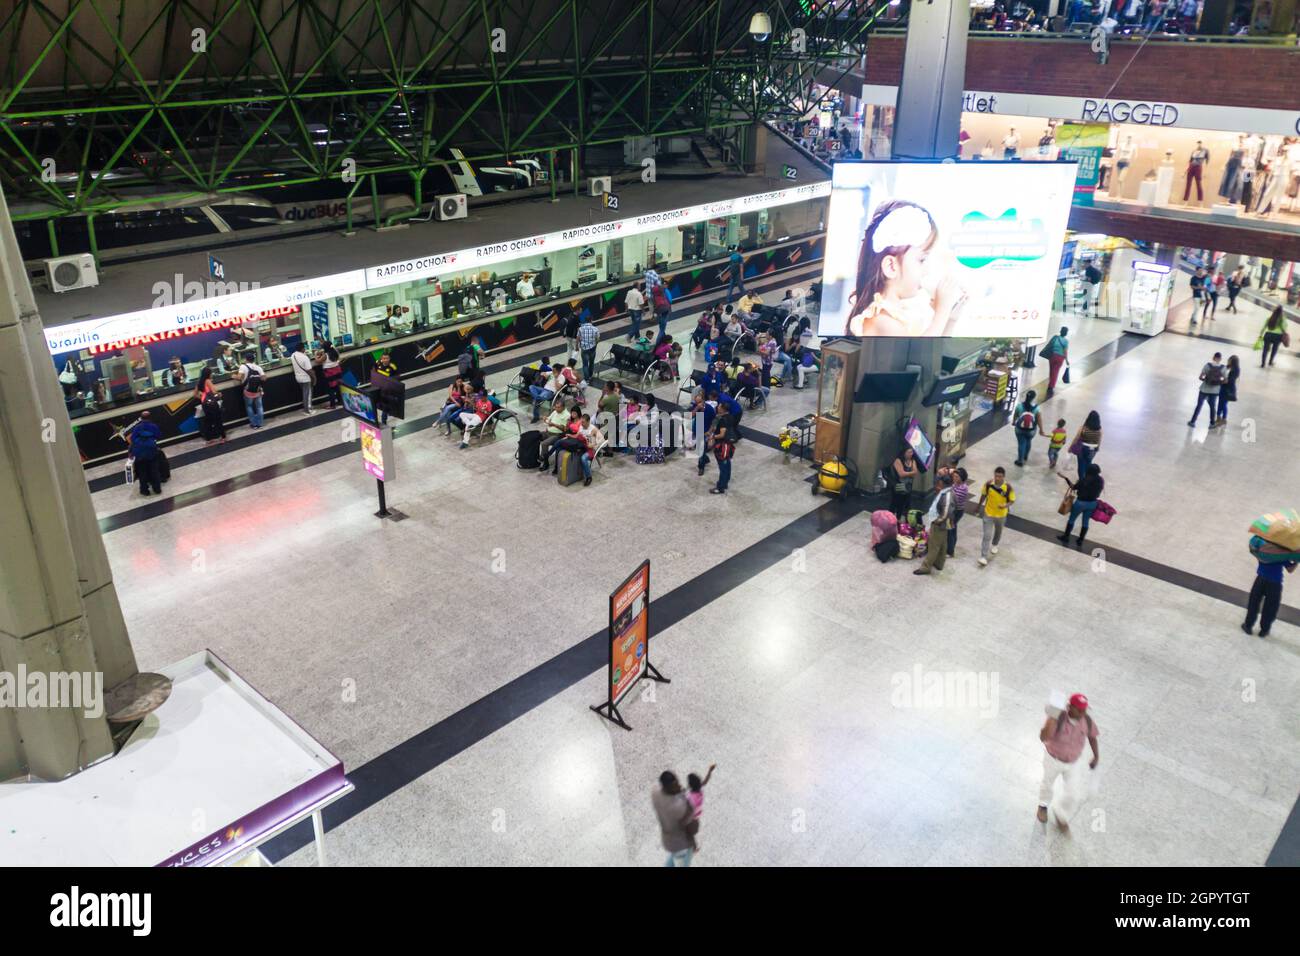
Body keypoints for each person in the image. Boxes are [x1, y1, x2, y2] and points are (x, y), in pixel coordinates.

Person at [844, 200, 964, 337]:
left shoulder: (898, 314)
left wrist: (950, 319)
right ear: (891, 266)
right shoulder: (883, 321)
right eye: (922, 260)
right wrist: (941, 313)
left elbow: (936, 354)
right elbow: (918, 356)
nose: (927, 271)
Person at [1037, 693, 1099, 833]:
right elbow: (1043, 737)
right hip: (1053, 759)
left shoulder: (1086, 720)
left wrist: (1096, 756)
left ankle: (1060, 813)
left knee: (1073, 793)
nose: (1083, 712)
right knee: (1047, 783)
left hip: (1073, 762)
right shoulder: (1057, 718)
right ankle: (1043, 805)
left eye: (1085, 709)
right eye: (1080, 709)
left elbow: (1092, 737)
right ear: (1070, 707)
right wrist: (1052, 717)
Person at [1242, 556, 1296, 638]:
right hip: (1275, 583)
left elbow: (1257, 555)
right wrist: (1296, 561)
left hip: (1260, 579)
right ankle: (1264, 630)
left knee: (1254, 603)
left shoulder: (1264, 547)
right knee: (1270, 608)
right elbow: (1290, 570)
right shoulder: (1282, 553)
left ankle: (1248, 626)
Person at [913, 473, 955, 576]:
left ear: (943, 483)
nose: (938, 484)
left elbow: (946, 513)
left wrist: (937, 521)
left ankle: (926, 567)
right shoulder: (946, 492)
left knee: (934, 545)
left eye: (940, 481)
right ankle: (939, 563)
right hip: (943, 523)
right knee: (942, 543)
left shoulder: (947, 495)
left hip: (939, 523)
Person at [652, 771, 696, 867]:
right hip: (681, 844)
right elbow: (691, 822)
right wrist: (693, 843)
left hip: (667, 840)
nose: (679, 786)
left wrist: (678, 792)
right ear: (667, 788)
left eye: (677, 782)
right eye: (675, 785)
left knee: (672, 861)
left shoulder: (655, 792)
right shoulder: (678, 807)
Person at [1057, 463, 1105, 548]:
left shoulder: (1084, 480)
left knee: (1072, 519)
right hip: (1092, 504)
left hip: (1080, 503)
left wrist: (1066, 478)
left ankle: (1066, 537)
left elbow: (1073, 487)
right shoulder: (1100, 481)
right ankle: (1080, 540)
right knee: (1085, 522)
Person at [977, 467, 1015, 566]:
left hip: (1001, 515)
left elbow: (1012, 500)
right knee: (986, 535)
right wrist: (978, 506)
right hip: (988, 513)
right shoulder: (989, 484)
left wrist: (1005, 506)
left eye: (1000, 476)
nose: (997, 478)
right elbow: (983, 495)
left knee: (998, 531)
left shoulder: (1008, 487)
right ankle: (983, 557)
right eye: (996, 476)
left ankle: (995, 544)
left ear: (1003, 477)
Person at [126, 411, 164, 496]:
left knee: (142, 472)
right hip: (152, 453)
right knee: (154, 471)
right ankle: (157, 489)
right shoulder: (153, 426)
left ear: (141, 418)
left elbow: (132, 439)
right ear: (150, 417)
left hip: (139, 455)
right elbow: (159, 436)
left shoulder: (137, 427)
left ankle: (144, 490)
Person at [1188, 351, 1224, 427]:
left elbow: (1201, 377)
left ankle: (1193, 422)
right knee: (1212, 406)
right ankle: (1212, 423)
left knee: (1199, 405)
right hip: (1215, 391)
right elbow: (1225, 380)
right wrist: (1218, 382)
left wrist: (1207, 380)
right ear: (1220, 359)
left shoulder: (1207, 366)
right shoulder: (1223, 368)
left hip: (1204, 389)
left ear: (1213, 357)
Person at [1012, 389, 1047, 466]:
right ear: (1034, 398)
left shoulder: (1020, 406)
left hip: (1020, 429)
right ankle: (1025, 456)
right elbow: (1039, 420)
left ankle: (1020, 461)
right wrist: (1041, 430)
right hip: (1031, 430)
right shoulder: (1037, 408)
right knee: (1028, 441)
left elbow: (1015, 415)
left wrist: (1014, 422)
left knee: (1021, 443)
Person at [685, 763, 716, 852]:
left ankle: (691, 848)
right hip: (697, 817)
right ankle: (694, 848)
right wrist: (710, 771)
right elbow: (706, 781)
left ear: (690, 785)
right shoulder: (700, 788)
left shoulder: (690, 797)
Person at [538, 400, 576, 469]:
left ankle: (546, 464)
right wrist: (545, 418)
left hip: (557, 435)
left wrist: (554, 425)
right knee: (535, 436)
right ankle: (541, 456)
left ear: (563, 407)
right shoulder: (555, 411)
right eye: (555, 407)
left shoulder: (567, 415)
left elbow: (564, 429)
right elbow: (549, 419)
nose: (556, 409)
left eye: (558, 407)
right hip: (548, 432)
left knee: (544, 443)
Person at [193, 367, 226, 444]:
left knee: (208, 421)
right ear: (208, 374)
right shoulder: (207, 381)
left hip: (205, 404)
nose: (212, 374)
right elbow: (214, 392)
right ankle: (223, 437)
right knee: (217, 420)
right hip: (213, 404)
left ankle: (209, 439)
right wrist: (219, 394)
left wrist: (202, 398)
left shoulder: (199, 383)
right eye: (211, 373)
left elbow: (194, 395)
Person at [234, 352, 266, 429]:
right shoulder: (258, 367)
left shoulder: (243, 367)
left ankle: (253, 424)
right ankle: (260, 423)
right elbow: (264, 378)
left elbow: (239, 377)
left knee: (249, 406)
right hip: (257, 391)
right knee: (259, 407)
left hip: (248, 391)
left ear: (246, 359)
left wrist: (233, 376)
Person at [708, 407, 736, 495]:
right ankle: (725, 482)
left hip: (722, 446)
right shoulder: (731, 417)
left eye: (719, 406)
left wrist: (712, 437)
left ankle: (720, 487)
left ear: (723, 409)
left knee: (723, 466)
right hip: (729, 445)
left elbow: (722, 434)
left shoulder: (723, 420)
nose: (718, 407)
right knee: (727, 463)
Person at [946, 466, 969, 559]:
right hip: (953, 509)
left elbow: (954, 501)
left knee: (950, 530)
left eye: (957, 477)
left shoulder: (963, 488)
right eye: (954, 476)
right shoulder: (956, 484)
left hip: (956, 511)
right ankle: (950, 548)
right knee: (953, 529)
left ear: (962, 478)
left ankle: (950, 551)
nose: (954, 478)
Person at [1071, 410, 1102, 479]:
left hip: (1082, 448)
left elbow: (1076, 438)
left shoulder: (1083, 428)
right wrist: (1097, 448)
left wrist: (1071, 447)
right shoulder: (1099, 429)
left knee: (1081, 464)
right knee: (1088, 463)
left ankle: (1082, 480)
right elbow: (1099, 440)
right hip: (1093, 449)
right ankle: (1088, 479)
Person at [890, 446, 919, 520]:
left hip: (908, 486)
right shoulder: (898, 460)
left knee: (905, 504)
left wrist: (907, 473)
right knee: (895, 502)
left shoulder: (913, 461)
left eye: (912, 452)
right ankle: (890, 518)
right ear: (904, 453)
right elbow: (901, 474)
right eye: (909, 452)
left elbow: (915, 472)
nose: (911, 454)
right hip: (899, 485)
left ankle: (899, 518)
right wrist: (911, 473)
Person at [1042, 325, 1069, 397]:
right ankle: (1051, 386)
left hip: (1053, 356)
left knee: (1052, 370)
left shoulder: (1055, 338)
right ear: (1066, 333)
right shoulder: (1066, 341)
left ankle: (1050, 384)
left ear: (1060, 331)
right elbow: (1065, 351)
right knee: (1056, 372)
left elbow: (1049, 345)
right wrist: (1066, 360)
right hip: (1060, 358)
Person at [373, 352, 398, 425]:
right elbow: (374, 371)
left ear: (389, 359)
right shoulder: (378, 364)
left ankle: (384, 420)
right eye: (384, 358)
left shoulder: (392, 367)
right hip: (379, 387)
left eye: (387, 358)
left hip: (388, 389)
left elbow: (397, 377)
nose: (385, 360)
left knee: (386, 405)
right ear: (381, 359)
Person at [1215, 356, 1240, 428]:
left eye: (1230, 360)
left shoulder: (1235, 370)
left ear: (1233, 361)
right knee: (1221, 403)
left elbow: (1231, 380)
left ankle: (1224, 419)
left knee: (1224, 404)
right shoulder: (1228, 368)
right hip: (1224, 387)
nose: (1228, 361)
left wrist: (1224, 380)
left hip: (1228, 388)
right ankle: (1218, 417)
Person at [290, 342, 315, 413]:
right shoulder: (305, 358)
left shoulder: (293, 355)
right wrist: (314, 378)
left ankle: (306, 408)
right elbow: (309, 370)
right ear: (303, 349)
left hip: (298, 377)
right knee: (307, 394)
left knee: (304, 393)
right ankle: (308, 410)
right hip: (306, 378)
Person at [319, 341, 343, 408]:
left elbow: (318, 361)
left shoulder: (325, 355)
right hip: (337, 371)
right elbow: (338, 358)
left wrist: (315, 355)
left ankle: (333, 405)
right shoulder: (335, 352)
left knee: (330, 389)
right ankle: (340, 401)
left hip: (329, 373)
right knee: (338, 387)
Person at [577, 311, 600, 383]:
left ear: (585, 321)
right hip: (592, 348)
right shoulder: (595, 329)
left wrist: (576, 346)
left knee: (585, 364)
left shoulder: (580, 329)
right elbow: (598, 339)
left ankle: (587, 379)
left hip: (584, 349)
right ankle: (590, 375)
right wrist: (595, 345)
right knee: (592, 362)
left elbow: (578, 338)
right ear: (591, 320)